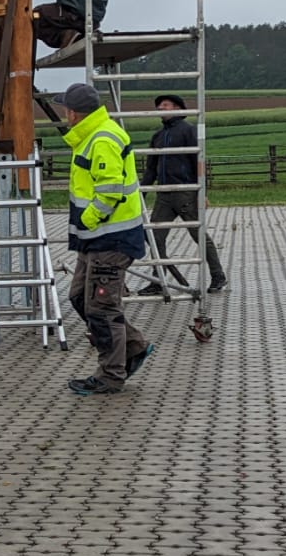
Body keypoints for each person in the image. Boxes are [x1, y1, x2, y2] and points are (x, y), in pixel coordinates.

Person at [60, 82, 152, 397]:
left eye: (66, 109)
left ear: (74, 113)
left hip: (110, 239)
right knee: (79, 298)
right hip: (96, 240)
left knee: (101, 309)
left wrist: (88, 219)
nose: (64, 114)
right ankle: (134, 347)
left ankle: (111, 375)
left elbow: (110, 190)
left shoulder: (102, 138)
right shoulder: (91, 136)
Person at [146, 94, 226, 293]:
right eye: (158, 106)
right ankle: (158, 280)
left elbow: (198, 162)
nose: (160, 108)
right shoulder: (157, 136)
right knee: (155, 236)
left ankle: (218, 275)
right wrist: (141, 192)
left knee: (198, 234)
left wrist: (202, 192)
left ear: (177, 108)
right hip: (164, 194)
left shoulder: (188, 131)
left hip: (186, 192)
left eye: (165, 105)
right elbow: (151, 169)